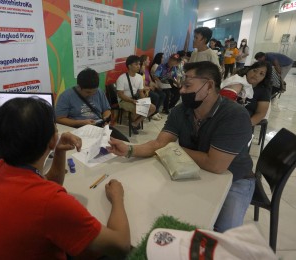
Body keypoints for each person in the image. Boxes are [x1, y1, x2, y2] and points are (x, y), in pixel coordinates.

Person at [108, 61, 255, 233]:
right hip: (191, 170)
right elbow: (159, 144)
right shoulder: (181, 111)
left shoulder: (234, 116)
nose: (181, 90)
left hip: (234, 179)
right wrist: (129, 149)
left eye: (187, 85)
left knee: (223, 234)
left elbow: (216, 165)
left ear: (208, 86)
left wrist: (174, 148)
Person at [0, 97, 130, 259]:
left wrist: (59, 151)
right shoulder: (50, 202)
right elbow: (121, 245)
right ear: (52, 139)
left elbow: (45, 185)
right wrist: (117, 198)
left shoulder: (1, 167)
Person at [56, 68, 129, 141]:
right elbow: (59, 119)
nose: (92, 94)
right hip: (79, 129)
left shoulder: (99, 91)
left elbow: (106, 109)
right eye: (88, 92)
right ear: (79, 86)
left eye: (94, 91)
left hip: (99, 126)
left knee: (124, 142)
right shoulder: (66, 96)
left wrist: (106, 119)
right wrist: (80, 123)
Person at [116, 55, 156, 134]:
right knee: (137, 108)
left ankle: (135, 123)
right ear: (129, 66)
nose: (139, 66)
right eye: (136, 64)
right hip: (123, 100)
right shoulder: (122, 78)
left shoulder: (139, 77)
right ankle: (132, 121)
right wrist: (132, 101)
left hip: (135, 99)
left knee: (152, 108)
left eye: (139, 64)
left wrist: (145, 101)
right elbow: (120, 95)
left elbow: (141, 92)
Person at [237, 61, 272, 126]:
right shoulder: (237, 80)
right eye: (255, 70)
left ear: (264, 78)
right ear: (249, 70)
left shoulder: (264, 91)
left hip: (245, 120)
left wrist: (244, 127)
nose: (256, 75)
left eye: (261, 74)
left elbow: (260, 113)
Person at [140, 54, 165, 120]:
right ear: (143, 61)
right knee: (156, 96)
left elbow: (150, 81)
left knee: (163, 94)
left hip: (149, 87)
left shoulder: (146, 70)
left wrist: (154, 85)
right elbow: (142, 85)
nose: (149, 61)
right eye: (148, 60)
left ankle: (155, 111)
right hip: (145, 89)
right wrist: (150, 87)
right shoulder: (140, 71)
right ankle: (152, 113)